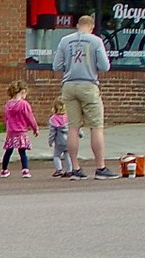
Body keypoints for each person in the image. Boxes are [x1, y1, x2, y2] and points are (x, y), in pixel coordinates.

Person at [54, 13, 113, 179]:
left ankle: (75, 169)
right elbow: (104, 66)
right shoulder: (95, 41)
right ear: (91, 27)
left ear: (78, 26)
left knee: (73, 127)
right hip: (88, 84)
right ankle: (100, 167)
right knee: (96, 126)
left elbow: (57, 65)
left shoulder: (65, 41)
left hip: (69, 85)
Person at [0, 81, 39, 175]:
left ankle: (4, 170)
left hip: (11, 131)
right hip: (21, 131)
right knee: (22, 151)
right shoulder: (24, 104)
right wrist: (35, 128)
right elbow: (29, 117)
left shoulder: (8, 104)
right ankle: (25, 169)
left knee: (8, 151)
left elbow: (6, 118)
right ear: (23, 91)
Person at [47, 103, 73, 177]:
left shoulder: (53, 119)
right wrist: (80, 133)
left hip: (59, 141)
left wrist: (50, 141)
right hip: (69, 140)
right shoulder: (69, 117)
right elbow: (75, 126)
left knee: (56, 155)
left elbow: (52, 132)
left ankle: (59, 169)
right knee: (68, 155)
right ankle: (69, 170)